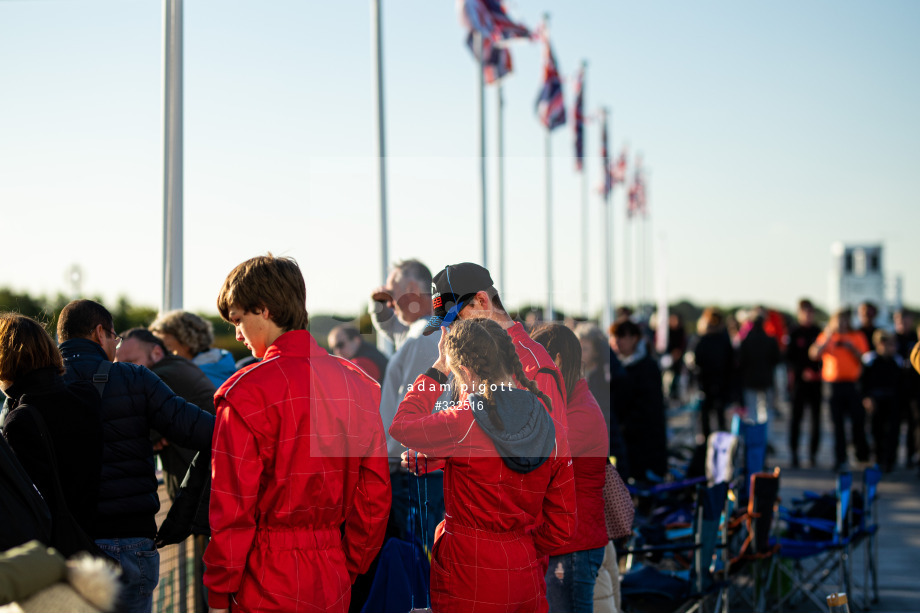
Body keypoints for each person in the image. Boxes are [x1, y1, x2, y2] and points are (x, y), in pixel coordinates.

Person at [204, 254, 390, 613]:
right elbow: (374, 498)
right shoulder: (359, 386)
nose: (237, 334)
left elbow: (231, 508)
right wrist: (349, 565)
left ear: (264, 310)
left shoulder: (244, 393)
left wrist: (218, 594)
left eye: (239, 319)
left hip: (265, 577)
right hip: (332, 576)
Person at [390, 318, 576, 612]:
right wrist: (521, 546)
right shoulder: (552, 429)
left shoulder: (465, 419)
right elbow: (562, 525)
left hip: (467, 569)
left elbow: (402, 425)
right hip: (524, 571)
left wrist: (438, 369)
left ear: (464, 371)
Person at [56, 299, 215, 612]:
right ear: (100, 333)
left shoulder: (39, 385)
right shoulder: (133, 378)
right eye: (115, 339)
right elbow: (208, 432)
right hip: (131, 538)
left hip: (66, 545)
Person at [419, 262, 571, 462]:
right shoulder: (471, 359)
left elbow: (552, 457)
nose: (452, 330)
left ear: (482, 300)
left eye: (455, 320)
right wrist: (438, 459)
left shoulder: (533, 365)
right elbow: (476, 441)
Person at [0, 313, 104, 557]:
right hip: (92, 537)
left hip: (53, 553)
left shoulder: (21, 420)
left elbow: (29, 504)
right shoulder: (85, 395)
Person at [531, 324, 608, 613]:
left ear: (557, 362)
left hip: (573, 545)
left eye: (533, 362)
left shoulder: (580, 414)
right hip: (567, 542)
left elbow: (535, 460)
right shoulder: (568, 405)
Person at [115, 328, 216, 502]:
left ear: (156, 352)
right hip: (206, 484)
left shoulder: (161, 378)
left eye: (131, 363)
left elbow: (131, 436)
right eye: (119, 366)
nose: (124, 372)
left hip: (202, 491)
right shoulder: (179, 366)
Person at [809, 308, 870, 471]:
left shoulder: (856, 336)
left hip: (852, 385)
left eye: (845, 319)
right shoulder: (828, 336)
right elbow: (814, 354)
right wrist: (827, 337)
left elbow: (865, 359)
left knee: (857, 421)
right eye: (839, 319)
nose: (842, 323)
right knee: (837, 425)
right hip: (832, 386)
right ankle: (840, 458)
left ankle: (860, 454)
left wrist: (851, 348)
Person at [611, 319, 667, 482]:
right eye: (614, 336)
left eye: (621, 336)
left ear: (634, 338)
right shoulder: (619, 365)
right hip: (630, 438)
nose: (616, 341)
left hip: (644, 441)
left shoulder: (646, 366)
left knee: (643, 483)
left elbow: (649, 407)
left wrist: (624, 424)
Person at [148, 310, 237, 388]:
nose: (163, 356)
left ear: (187, 341)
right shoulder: (224, 363)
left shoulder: (190, 379)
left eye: (169, 349)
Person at [786, 299, 824, 468]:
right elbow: (788, 358)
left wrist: (818, 372)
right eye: (805, 312)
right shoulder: (793, 332)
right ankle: (794, 453)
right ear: (799, 313)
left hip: (817, 383)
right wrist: (802, 371)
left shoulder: (819, 332)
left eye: (811, 312)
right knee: (796, 419)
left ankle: (813, 454)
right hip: (799, 383)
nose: (808, 315)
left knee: (816, 420)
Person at [861, 330, 904, 472]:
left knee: (893, 432)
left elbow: (903, 384)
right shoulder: (870, 361)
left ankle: (890, 462)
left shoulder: (898, 361)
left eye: (892, 344)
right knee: (876, 432)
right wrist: (867, 398)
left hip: (893, 401)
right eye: (886, 344)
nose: (890, 347)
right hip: (876, 401)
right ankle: (877, 460)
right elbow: (862, 383)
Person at [692, 307, 735, 439]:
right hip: (711, 382)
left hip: (713, 382)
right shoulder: (713, 339)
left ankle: (712, 442)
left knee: (713, 415)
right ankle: (713, 441)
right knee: (711, 415)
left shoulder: (706, 339)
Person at [738, 310, 781, 434]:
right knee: (766, 411)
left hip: (750, 380)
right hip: (766, 379)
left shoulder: (746, 341)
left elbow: (741, 362)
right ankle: (765, 437)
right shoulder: (770, 340)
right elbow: (777, 360)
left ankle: (753, 438)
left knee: (752, 411)